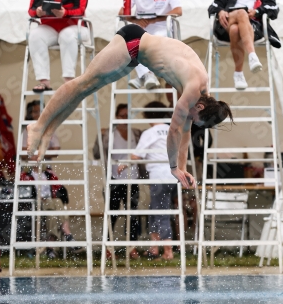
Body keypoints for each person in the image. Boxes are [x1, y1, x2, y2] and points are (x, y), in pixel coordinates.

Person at [27, 24, 233, 190]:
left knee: (85, 92)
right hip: (131, 42)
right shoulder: (191, 91)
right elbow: (173, 133)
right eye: (194, 117)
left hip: (135, 58)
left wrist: (181, 168)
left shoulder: (200, 97)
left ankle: (48, 131)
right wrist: (173, 168)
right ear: (199, 106)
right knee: (83, 83)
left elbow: (185, 135)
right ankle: (38, 126)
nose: (190, 119)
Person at [208, 0, 281, 90]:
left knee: (236, 29)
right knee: (241, 12)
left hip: (254, 27)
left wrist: (257, 11)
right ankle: (252, 56)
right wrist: (220, 11)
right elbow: (212, 6)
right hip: (225, 27)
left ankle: (238, 74)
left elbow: (274, 9)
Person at [28, 0, 89, 93]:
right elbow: (31, 9)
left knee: (67, 36)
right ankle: (44, 82)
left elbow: (81, 9)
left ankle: (68, 80)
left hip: (76, 27)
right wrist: (38, 12)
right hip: (50, 27)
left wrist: (65, 12)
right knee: (35, 35)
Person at [21, 100, 76, 258]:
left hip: (49, 201)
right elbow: (25, 151)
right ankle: (63, 238)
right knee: (53, 207)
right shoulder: (27, 174)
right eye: (35, 111)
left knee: (56, 204)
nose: (38, 114)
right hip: (36, 201)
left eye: (40, 111)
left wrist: (38, 150)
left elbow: (56, 150)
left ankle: (55, 244)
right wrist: (44, 150)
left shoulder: (48, 173)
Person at [118, 0, 182, 90]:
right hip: (142, 28)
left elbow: (178, 10)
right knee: (128, 39)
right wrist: (137, 20)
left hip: (163, 28)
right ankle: (147, 75)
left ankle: (143, 76)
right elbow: (122, 12)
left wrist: (155, 19)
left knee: (152, 40)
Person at [93, 103, 145, 260]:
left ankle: (132, 247)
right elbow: (96, 154)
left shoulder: (137, 133)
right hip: (114, 179)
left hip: (133, 178)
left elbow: (143, 154)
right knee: (112, 214)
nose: (124, 119)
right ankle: (107, 248)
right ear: (116, 117)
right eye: (121, 116)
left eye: (127, 116)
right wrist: (100, 137)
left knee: (132, 215)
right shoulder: (108, 134)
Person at [131, 101, 176, 260]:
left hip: (158, 177)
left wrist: (123, 163)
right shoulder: (172, 130)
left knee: (160, 213)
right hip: (173, 177)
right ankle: (154, 247)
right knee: (155, 210)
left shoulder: (150, 133)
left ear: (147, 116)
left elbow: (136, 156)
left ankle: (168, 251)